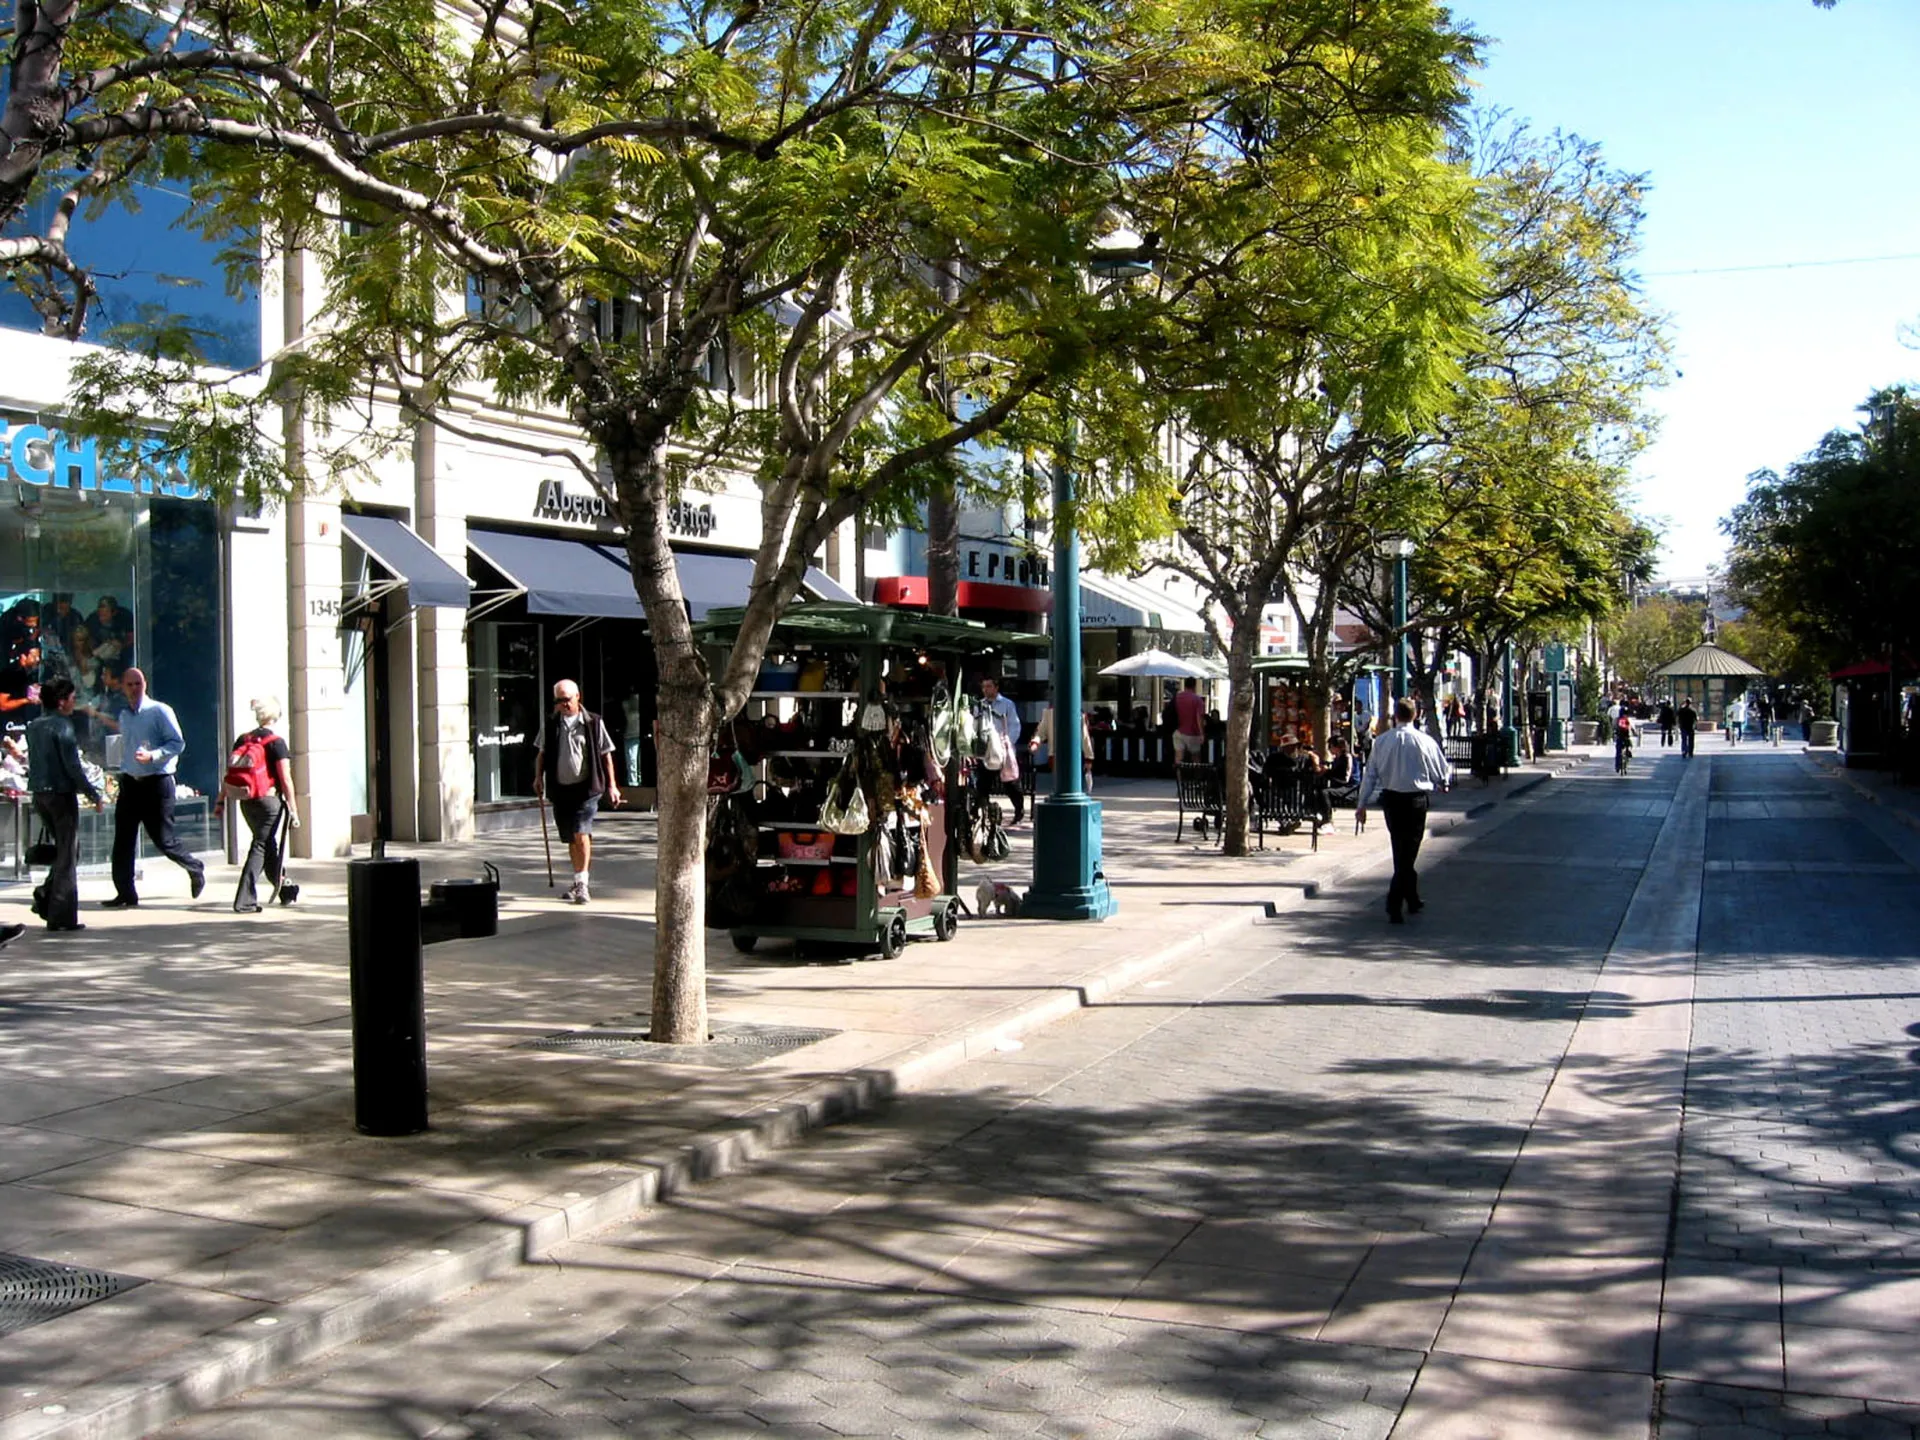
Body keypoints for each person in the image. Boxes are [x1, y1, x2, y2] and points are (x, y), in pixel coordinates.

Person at [103, 667, 206, 907]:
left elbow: (177, 743)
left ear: (145, 685)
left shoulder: (159, 711)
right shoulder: (125, 715)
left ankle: (194, 866)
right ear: (123, 687)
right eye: (129, 685)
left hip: (157, 782)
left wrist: (154, 755)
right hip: (131, 782)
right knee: (123, 841)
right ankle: (125, 893)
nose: (134, 689)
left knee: (163, 839)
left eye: (137, 684)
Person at [1355, 698, 1452, 924]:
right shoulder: (1424, 741)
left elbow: (1370, 775)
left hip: (1391, 800)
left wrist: (1362, 803)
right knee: (1408, 852)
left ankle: (1411, 897)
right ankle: (1395, 902)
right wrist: (1442, 782)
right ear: (1415, 715)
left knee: (1401, 849)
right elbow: (1440, 770)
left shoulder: (1382, 741)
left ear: (1395, 716)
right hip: (1415, 800)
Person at [25, 676, 103, 934]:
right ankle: (61, 915)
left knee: (65, 852)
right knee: (68, 854)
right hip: (60, 794)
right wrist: (92, 794)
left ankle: (48, 896)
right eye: (71, 698)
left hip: (40, 793)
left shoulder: (34, 726)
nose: (74, 703)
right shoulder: (62, 726)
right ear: (61, 702)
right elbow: (72, 766)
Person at [533, 679, 620, 904]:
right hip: (561, 790)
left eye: (567, 699)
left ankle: (583, 884)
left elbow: (606, 755)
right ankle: (578, 878)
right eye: (559, 700)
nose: (563, 704)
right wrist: (538, 778)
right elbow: (542, 753)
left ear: (578, 697)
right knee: (571, 837)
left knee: (581, 831)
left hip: (587, 789)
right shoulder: (551, 724)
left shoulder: (593, 722)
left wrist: (612, 786)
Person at [214, 696, 301, 913]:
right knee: (261, 846)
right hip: (269, 802)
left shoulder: (243, 740)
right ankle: (245, 901)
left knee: (267, 844)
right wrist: (293, 810)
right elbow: (285, 779)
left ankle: (285, 889)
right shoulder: (276, 743)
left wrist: (220, 800)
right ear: (275, 716)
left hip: (246, 801)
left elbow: (229, 774)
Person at [976, 676, 1024, 825]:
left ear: (996, 687)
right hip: (987, 751)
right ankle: (982, 812)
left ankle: (1019, 810)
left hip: (1003, 749)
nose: (985, 690)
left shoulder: (1007, 704)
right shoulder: (979, 705)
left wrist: (1008, 743)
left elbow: (1014, 725)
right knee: (983, 783)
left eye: (989, 686)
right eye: (984, 687)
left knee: (1011, 783)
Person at [1029, 705, 1094, 792]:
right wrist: (1035, 743)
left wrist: (1088, 757)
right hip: (1058, 755)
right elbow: (1041, 732)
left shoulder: (1077, 713)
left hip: (1071, 756)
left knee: (1070, 785)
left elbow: (1084, 736)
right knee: (1062, 785)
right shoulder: (1050, 713)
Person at [1173, 677, 1207, 762]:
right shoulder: (1197, 700)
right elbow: (1199, 718)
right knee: (1195, 758)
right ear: (1194, 686)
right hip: (1193, 733)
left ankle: (1178, 770)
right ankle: (1195, 771)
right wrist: (1201, 733)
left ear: (1185, 685)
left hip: (1179, 731)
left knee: (1179, 757)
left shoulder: (1177, 697)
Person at [1614, 707, 1635, 775]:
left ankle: (1617, 766)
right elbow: (1633, 729)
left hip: (1619, 737)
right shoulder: (1629, 719)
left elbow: (1614, 727)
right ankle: (1629, 754)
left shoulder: (1617, 719)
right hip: (1627, 738)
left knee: (1618, 752)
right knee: (1630, 747)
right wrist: (1635, 733)